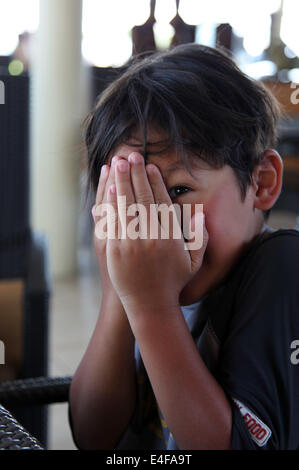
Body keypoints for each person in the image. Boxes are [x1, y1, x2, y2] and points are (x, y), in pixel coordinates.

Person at [69, 43, 299, 450]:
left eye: (177, 190)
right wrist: (117, 295)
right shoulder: (138, 272)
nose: (152, 223)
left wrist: (152, 307)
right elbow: (93, 436)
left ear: (262, 182)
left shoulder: (281, 268)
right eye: (130, 199)